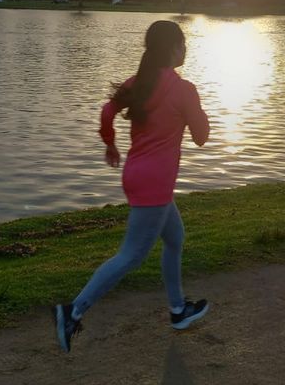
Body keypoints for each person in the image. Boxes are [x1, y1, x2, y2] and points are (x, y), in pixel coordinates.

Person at [54, 20, 211, 353]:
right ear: (172, 48)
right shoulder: (183, 90)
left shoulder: (138, 83)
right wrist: (196, 111)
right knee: (131, 256)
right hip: (155, 183)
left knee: (175, 239)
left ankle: (178, 310)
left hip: (137, 175)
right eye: (183, 43)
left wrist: (110, 145)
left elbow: (107, 110)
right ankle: (74, 311)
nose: (186, 49)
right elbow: (201, 138)